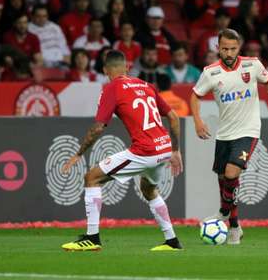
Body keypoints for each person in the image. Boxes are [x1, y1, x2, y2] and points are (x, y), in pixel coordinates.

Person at [61, 50, 183, 252]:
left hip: (145, 151)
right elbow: (174, 117)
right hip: (164, 149)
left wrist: (78, 153)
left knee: (91, 178)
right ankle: (172, 241)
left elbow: (99, 127)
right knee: (149, 189)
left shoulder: (112, 88)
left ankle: (92, 237)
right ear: (127, 67)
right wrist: (176, 151)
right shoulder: (146, 85)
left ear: (105, 70)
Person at [190, 28, 268, 245]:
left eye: (232, 48)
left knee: (232, 173)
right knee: (224, 181)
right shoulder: (210, 72)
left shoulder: (252, 64)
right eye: (224, 49)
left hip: (248, 130)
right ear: (217, 48)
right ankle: (234, 227)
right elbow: (195, 96)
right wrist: (198, 121)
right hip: (224, 133)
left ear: (238, 47)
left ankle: (223, 212)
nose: (229, 53)